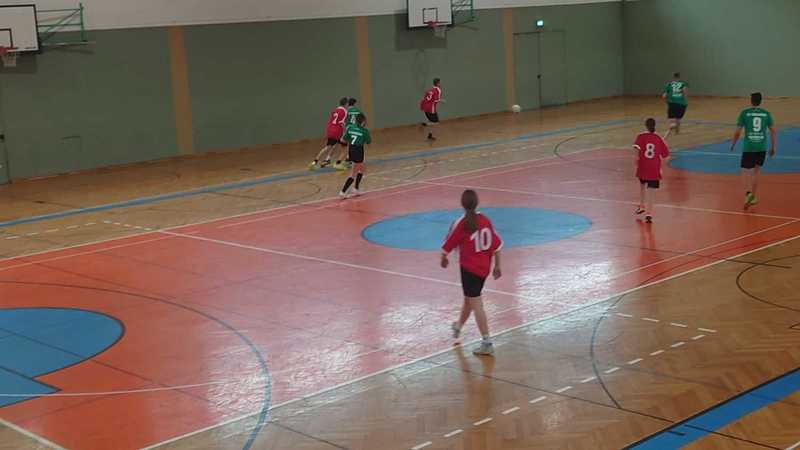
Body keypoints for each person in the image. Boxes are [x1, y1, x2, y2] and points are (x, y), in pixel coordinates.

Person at [441, 190, 503, 356]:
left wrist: (443, 258)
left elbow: (448, 244)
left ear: (462, 204)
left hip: (469, 270)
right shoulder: (485, 220)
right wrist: (497, 266)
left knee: (476, 304)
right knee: (469, 299)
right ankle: (458, 326)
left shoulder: (461, 223)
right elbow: (497, 245)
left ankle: (487, 342)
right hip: (484, 269)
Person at [730, 92, 776, 208]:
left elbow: (738, 132)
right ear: (760, 101)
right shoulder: (766, 113)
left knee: (744, 171)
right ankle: (753, 196)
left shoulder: (744, 113)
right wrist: (773, 147)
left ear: (751, 101)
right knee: (756, 171)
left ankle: (748, 194)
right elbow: (773, 131)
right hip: (761, 147)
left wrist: (733, 144)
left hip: (749, 147)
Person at [633, 118, 670, 223]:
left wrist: (636, 158)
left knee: (642, 185)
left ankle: (642, 205)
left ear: (646, 125)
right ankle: (649, 214)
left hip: (643, 166)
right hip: (654, 168)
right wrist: (660, 165)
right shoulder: (658, 138)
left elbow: (636, 148)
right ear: (655, 125)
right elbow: (666, 156)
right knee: (651, 191)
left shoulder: (641, 136)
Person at [309, 98, 349, 170]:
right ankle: (338, 164)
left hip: (330, 129)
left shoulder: (335, 110)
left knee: (328, 147)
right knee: (345, 148)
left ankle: (314, 162)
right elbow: (341, 123)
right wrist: (346, 131)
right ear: (346, 104)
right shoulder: (344, 111)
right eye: (347, 103)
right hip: (337, 131)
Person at [339, 113, 371, 198]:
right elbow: (368, 142)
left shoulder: (350, 128)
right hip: (358, 150)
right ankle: (343, 192)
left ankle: (356, 188)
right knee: (354, 172)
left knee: (362, 169)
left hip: (351, 149)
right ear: (363, 121)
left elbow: (343, 140)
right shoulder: (365, 131)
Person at [663, 72, 689, 138]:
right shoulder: (683, 84)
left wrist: (667, 101)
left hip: (672, 103)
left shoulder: (669, 84)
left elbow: (664, 95)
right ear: (679, 77)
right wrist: (685, 101)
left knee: (671, 118)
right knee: (678, 118)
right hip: (681, 104)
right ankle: (677, 131)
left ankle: (673, 125)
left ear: (673, 77)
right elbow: (685, 92)